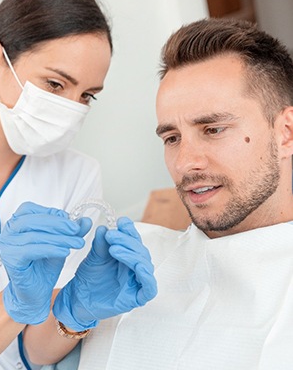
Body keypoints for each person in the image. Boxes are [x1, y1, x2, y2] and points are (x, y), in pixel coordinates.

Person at [73, 18, 293, 369]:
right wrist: (66, 315)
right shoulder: (133, 260)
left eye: (214, 129)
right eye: (172, 138)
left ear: (286, 132)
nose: (186, 163)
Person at [0, 0, 157, 370]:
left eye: (87, 95)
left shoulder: (77, 175)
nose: (71, 108)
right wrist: (14, 304)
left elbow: (35, 353)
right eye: (55, 84)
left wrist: (76, 309)